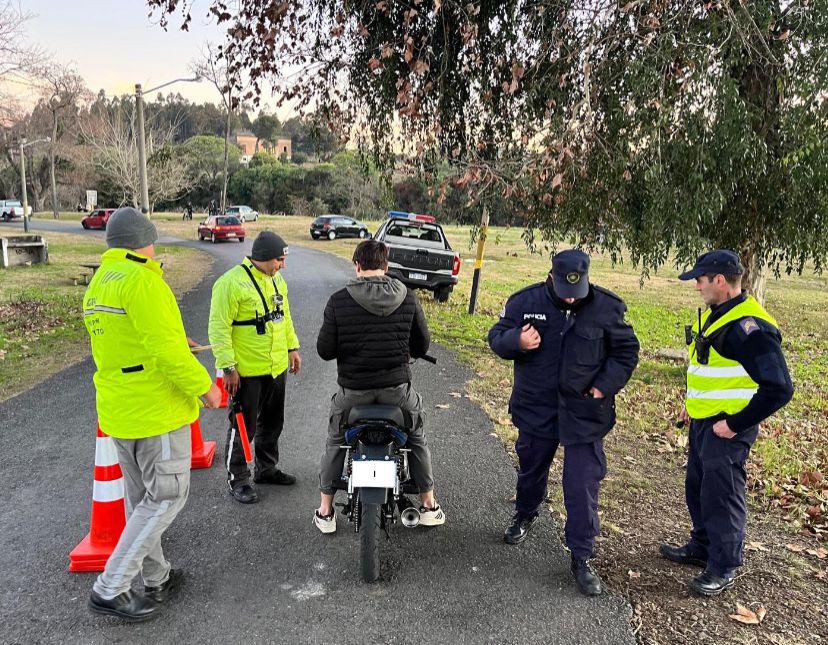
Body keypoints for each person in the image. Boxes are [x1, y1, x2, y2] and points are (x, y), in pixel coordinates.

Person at [83, 207, 222, 621]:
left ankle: (156, 576)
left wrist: (177, 339)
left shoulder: (100, 282)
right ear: (145, 239)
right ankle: (111, 587)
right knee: (166, 497)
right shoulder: (144, 280)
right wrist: (206, 389)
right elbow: (166, 354)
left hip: (119, 410)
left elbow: (134, 340)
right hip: (155, 410)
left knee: (141, 498)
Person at [488, 249, 639, 596]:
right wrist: (517, 341)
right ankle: (525, 514)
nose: (572, 296)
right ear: (550, 278)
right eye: (565, 289)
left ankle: (581, 556)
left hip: (585, 414)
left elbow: (626, 351)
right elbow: (496, 337)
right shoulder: (524, 301)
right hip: (537, 409)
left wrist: (604, 386)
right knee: (531, 469)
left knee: (582, 485)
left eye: (579, 289)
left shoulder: (607, 307)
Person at [660, 250, 794, 595]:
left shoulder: (750, 328)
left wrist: (735, 424)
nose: (696, 287)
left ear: (720, 281)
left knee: (722, 494)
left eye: (700, 281)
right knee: (699, 486)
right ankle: (702, 546)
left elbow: (779, 387)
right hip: (705, 420)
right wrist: (694, 405)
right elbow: (709, 367)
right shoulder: (719, 314)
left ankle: (724, 565)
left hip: (728, 426)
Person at [314, 240, 445, 533]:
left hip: (352, 394)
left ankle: (325, 510)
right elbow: (422, 344)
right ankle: (428, 503)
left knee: (336, 440)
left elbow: (324, 350)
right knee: (416, 438)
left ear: (357, 265)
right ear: (386, 267)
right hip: (397, 392)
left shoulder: (338, 301)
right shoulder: (408, 298)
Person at [208, 231, 301, 504]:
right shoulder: (230, 283)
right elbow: (218, 328)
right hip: (246, 372)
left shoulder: (276, 280)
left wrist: (292, 348)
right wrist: (228, 367)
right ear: (262, 258)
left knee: (273, 422)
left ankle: (266, 468)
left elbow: (284, 318)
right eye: (279, 260)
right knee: (243, 426)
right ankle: (238, 478)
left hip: (275, 367)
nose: (282, 265)